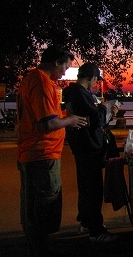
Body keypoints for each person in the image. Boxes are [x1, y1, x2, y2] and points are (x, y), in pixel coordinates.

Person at [16, 45, 88, 257]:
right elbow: (46, 124)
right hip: (42, 154)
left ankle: (37, 246)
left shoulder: (30, 79)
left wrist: (63, 117)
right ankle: (40, 249)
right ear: (56, 62)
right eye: (66, 65)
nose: (66, 71)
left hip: (30, 152)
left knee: (33, 207)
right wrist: (70, 120)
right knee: (43, 206)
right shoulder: (41, 83)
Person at [62, 63, 119, 243]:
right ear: (91, 77)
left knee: (85, 187)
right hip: (88, 147)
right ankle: (96, 230)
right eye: (96, 80)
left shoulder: (71, 93)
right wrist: (105, 107)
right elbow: (97, 119)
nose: (96, 84)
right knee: (93, 190)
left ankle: (86, 221)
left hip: (81, 146)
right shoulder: (80, 93)